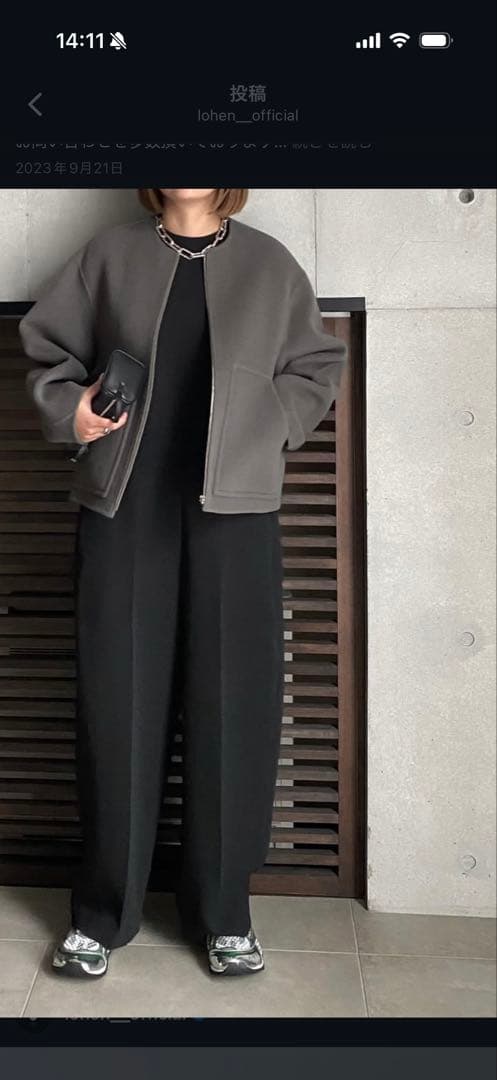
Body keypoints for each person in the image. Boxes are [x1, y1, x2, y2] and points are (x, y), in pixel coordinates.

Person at [19, 188, 347, 979]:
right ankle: (102, 914)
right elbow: (48, 351)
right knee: (115, 706)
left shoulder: (268, 264)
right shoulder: (109, 257)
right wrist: (73, 411)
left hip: (235, 514)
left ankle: (224, 913)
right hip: (123, 509)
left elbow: (315, 365)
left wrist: (271, 424)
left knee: (234, 708)